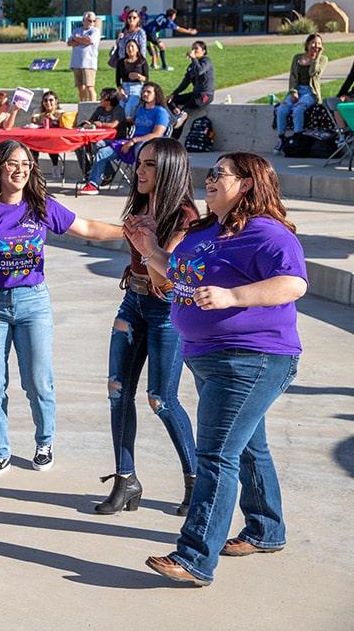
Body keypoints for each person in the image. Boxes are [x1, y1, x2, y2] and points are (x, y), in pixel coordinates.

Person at [132, 153, 307, 586]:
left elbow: (293, 283)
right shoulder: (205, 231)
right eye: (209, 174)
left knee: (216, 455)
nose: (209, 180)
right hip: (207, 356)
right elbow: (180, 279)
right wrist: (150, 252)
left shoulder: (267, 233)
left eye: (220, 174)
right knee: (248, 447)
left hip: (252, 358)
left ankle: (194, 558)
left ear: (246, 184)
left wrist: (234, 297)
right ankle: (267, 530)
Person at [0, 140, 124, 478]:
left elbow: (87, 228)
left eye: (26, 163)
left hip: (33, 303)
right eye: (12, 163)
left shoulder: (40, 206)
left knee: (39, 381)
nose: (20, 169)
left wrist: (130, 232)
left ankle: (44, 442)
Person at [93, 137, 198, 516]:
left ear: (170, 169)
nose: (140, 170)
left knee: (162, 399)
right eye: (140, 163)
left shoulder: (185, 216)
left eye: (151, 165)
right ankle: (126, 479)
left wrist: (150, 244)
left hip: (166, 310)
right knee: (118, 391)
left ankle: (195, 479)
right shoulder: (140, 205)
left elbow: (169, 278)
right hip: (133, 301)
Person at [80, 82, 171, 195]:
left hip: (149, 145)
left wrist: (134, 141)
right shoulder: (141, 109)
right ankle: (95, 183)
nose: (145, 94)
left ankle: (142, 184)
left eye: (148, 92)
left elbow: (157, 134)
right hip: (131, 142)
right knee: (99, 146)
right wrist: (122, 119)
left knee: (139, 149)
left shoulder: (161, 112)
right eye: (143, 91)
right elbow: (133, 121)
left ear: (156, 95)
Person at [275, 33, 327, 152]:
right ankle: (281, 138)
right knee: (282, 109)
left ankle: (297, 137)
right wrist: (293, 91)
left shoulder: (323, 59)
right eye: (313, 42)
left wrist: (316, 58)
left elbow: (313, 73)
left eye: (319, 43)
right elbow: (293, 76)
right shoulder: (297, 58)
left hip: (310, 93)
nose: (316, 45)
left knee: (298, 109)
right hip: (297, 90)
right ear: (307, 44)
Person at [75, 88, 128, 177]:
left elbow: (113, 125)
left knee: (97, 144)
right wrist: (87, 124)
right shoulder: (100, 109)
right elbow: (91, 121)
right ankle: (88, 172)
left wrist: (101, 124)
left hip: (116, 140)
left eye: (102, 97)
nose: (100, 99)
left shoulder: (118, 110)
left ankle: (108, 172)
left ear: (109, 99)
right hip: (98, 138)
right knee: (78, 146)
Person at [169, 41, 215, 138]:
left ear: (203, 51)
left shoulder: (206, 61)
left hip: (205, 95)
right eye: (192, 48)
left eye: (196, 49)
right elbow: (185, 82)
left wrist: (193, 59)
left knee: (189, 107)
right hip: (195, 94)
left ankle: (183, 114)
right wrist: (173, 94)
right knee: (171, 100)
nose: (193, 51)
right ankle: (174, 136)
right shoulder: (191, 66)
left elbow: (199, 71)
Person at [68, 11, 101, 103]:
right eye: (89, 20)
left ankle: (92, 105)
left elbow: (89, 41)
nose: (92, 23)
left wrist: (77, 38)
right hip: (76, 63)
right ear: (83, 20)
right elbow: (69, 43)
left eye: (94, 21)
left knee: (90, 86)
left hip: (89, 63)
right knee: (80, 87)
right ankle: (83, 104)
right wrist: (81, 39)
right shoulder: (76, 30)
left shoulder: (95, 31)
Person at [115, 38, 149, 119]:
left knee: (130, 105)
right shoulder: (121, 62)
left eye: (132, 46)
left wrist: (139, 76)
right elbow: (117, 80)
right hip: (125, 88)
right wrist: (121, 90)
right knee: (121, 105)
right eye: (128, 47)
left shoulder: (142, 61)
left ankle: (128, 123)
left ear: (137, 49)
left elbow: (146, 79)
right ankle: (119, 123)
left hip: (137, 88)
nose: (130, 49)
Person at [114, 10, 147, 75]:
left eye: (134, 17)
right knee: (122, 83)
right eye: (129, 17)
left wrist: (142, 64)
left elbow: (142, 49)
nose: (131, 19)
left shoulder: (140, 33)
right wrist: (118, 39)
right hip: (123, 63)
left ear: (138, 19)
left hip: (135, 64)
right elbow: (119, 45)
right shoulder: (123, 30)